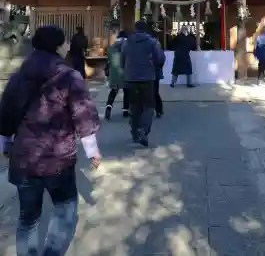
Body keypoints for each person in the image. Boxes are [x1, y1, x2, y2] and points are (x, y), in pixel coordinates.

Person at [0, 25, 100, 256]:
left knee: (28, 218)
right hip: (58, 159)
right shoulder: (69, 77)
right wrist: (92, 150)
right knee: (65, 209)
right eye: (64, 43)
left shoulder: (18, 77)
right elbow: (82, 114)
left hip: (24, 158)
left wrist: (5, 145)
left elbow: (6, 116)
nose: (67, 47)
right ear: (56, 46)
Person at [121, 20, 165, 147]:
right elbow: (159, 59)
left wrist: (128, 69)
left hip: (131, 78)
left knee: (134, 106)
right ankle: (144, 130)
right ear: (145, 29)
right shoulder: (152, 42)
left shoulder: (127, 42)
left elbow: (122, 60)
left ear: (135, 29)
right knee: (148, 106)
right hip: (147, 78)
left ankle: (134, 132)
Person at [105, 29, 130, 120]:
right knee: (126, 92)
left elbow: (109, 60)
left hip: (114, 73)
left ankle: (108, 108)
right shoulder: (128, 47)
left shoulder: (111, 47)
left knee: (113, 92)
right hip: (125, 73)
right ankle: (125, 111)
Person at [150, 28, 165, 118]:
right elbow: (162, 59)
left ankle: (150, 110)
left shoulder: (149, 44)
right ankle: (159, 110)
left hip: (149, 71)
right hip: (156, 71)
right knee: (155, 92)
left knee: (149, 91)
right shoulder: (157, 45)